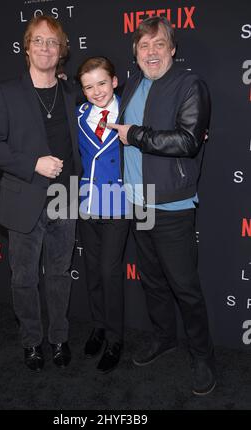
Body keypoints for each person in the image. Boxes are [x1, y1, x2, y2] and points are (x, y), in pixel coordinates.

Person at [108, 16, 216, 395]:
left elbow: (188, 141)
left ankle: (203, 356)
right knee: (153, 281)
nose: (150, 52)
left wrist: (135, 135)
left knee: (184, 287)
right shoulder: (135, 84)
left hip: (172, 205)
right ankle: (164, 337)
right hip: (138, 203)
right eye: (143, 46)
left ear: (172, 49)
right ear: (135, 53)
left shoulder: (190, 85)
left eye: (158, 45)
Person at [0, 15, 82, 372]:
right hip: (24, 196)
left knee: (59, 273)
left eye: (52, 42)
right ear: (26, 48)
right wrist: (32, 164)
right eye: (38, 40)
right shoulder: (5, 91)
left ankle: (58, 338)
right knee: (23, 277)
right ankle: (31, 342)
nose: (45, 47)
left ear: (62, 51)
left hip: (65, 197)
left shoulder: (72, 92)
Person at [76, 57, 129, 373]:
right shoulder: (80, 114)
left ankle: (115, 338)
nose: (96, 91)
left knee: (110, 271)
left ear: (115, 81)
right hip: (86, 199)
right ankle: (98, 326)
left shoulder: (130, 111)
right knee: (93, 269)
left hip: (118, 200)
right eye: (88, 86)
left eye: (101, 83)